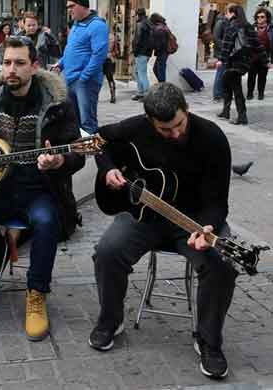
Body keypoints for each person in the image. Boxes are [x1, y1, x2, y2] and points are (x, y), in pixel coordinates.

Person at [89, 82, 236, 380]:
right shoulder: (136, 127)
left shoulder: (212, 138)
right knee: (107, 252)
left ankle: (208, 340)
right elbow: (99, 140)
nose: (175, 134)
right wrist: (107, 169)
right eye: (165, 130)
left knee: (222, 264)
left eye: (179, 125)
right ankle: (110, 320)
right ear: (149, 121)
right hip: (144, 216)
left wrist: (207, 227)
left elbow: (218, 202)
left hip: (194, 221)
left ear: (187, 110)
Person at [0, 36, 84, 341]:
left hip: (39, 190)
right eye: (7, 62)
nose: (11, 69)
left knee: (47, 221)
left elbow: (78, 154)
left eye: (20, 63)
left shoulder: (57, 104)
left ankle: (36, 292)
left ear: (35, 66)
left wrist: (59, 162)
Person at [54, 0, 108, 135]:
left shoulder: (97, 25)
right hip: (71, 79)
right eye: (67, 7)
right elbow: (71, 49)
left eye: (72, 6)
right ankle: (78, 152)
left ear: (83, 5)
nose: (69, 10)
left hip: (85, 81)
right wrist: (60, 64)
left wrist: (84, 77)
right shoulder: (77, 24)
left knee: (87, 121)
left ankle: (92, 152)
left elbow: (99, 55)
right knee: (73, 119)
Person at [216, 4, 261, 125]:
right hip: (244, 62)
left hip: (234, 61)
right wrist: (265, 60)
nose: (226, 15)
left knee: (236, 88)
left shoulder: (231, 26)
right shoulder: (248, 26)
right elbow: (257, 44)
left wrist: (221, 59)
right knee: (227, 83)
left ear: (232, 13)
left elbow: (226, 45)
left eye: (227, 13)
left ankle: (242, 116)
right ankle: (226, 111)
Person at [247, 7, 273, 100]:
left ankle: (261, 93)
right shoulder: (251, 27)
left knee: (262, 77)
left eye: (262, 17)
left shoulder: (271, 29)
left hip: (265, 57)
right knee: (251, 77)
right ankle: (250, 93)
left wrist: (271, 60)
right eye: (258, 17)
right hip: (252, 57)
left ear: (267, 18)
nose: (260, 19)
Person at [131, 8, 153, 100]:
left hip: (141, 52)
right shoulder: (149, 23)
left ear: (138, 15)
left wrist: (135, 51)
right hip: (146, 52)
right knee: (137, 72)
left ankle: (147, 95)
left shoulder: (140, 24)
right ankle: (140, 92)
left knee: (142, 73)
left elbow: (138, 39)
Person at [213, 8, 229, 101]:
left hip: (225, 51)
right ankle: (218, 94)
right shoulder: (221, 22)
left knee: (224, 73)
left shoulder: (227, 22)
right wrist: (225, 46)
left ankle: (221, 92)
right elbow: (216, 38)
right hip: (221, 52)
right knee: (220, 73)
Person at [150, 13, 170, 83]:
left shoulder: (159, 29)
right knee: (156, 69)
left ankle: (163, 86)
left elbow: (161, 43)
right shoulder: (163, 26)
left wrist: (154, 47)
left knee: (160, 70)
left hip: (162, 52)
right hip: (164, 52)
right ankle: (161, 84)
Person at [103, 32, 120, 103]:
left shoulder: (97, 35)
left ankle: (94, 96)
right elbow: (117, 51)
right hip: (110, 59)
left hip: (98, 59)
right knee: (110, 78)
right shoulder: (112, 37)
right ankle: (113, 96)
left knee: (96, 80)